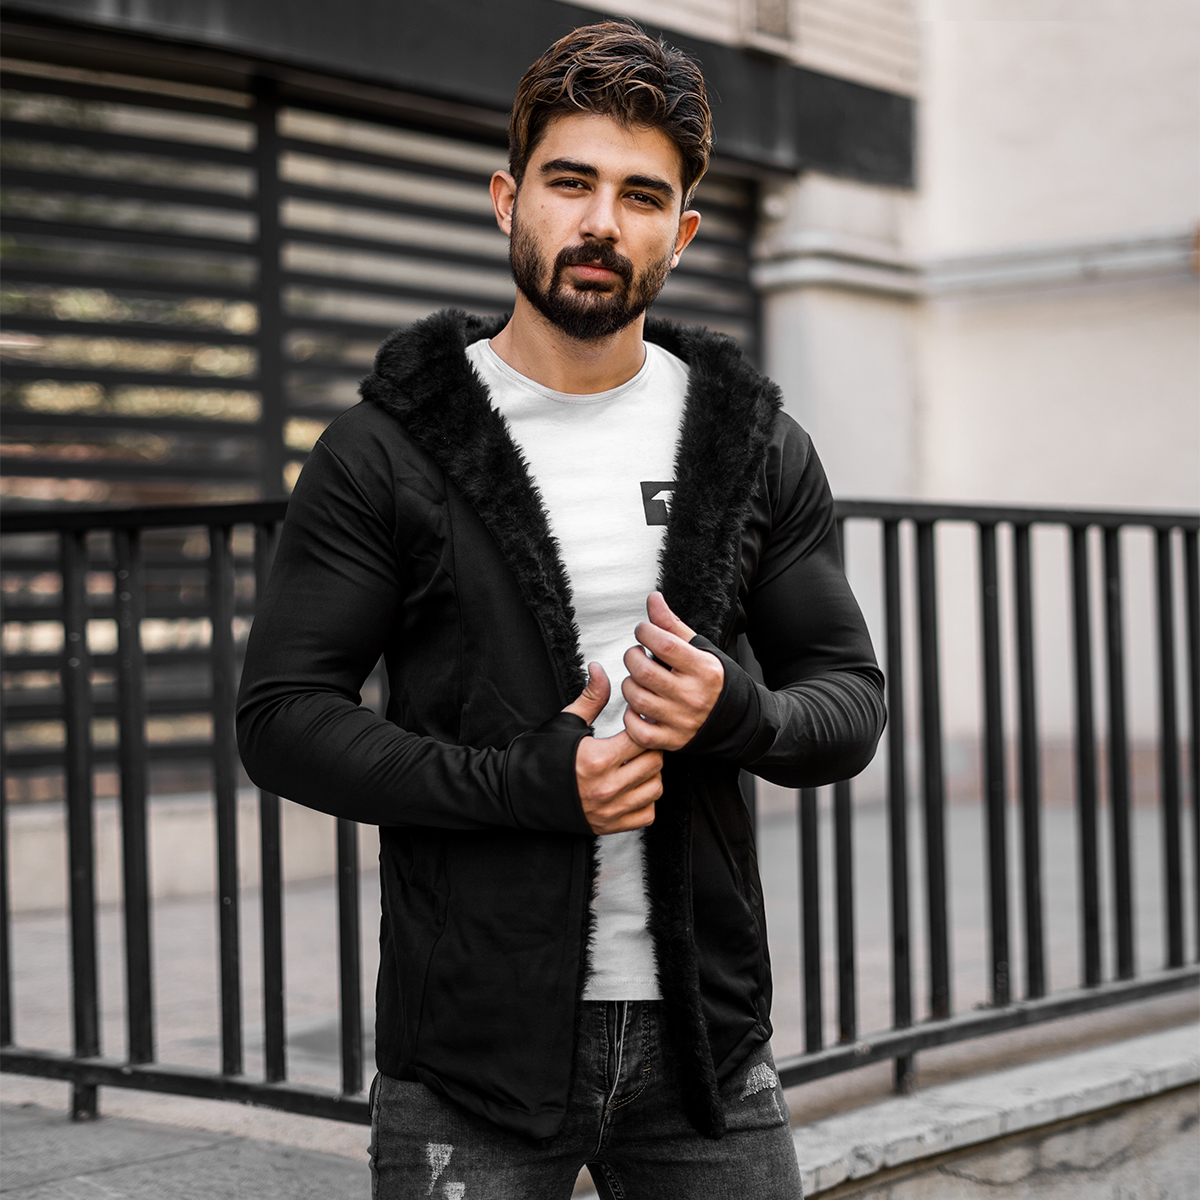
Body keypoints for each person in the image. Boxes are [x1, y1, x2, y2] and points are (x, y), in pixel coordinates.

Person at [237, 21, 884, 1199]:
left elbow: (848, 700)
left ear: (683, 233)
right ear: (509, 200)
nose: (601, 222)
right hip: (469, 1046)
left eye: (642, 196)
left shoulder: (750, 445)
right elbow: (282, 719)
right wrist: (524, 786)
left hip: (707, 1046)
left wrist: (737, 712)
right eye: (570, 182)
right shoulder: (388, 449)